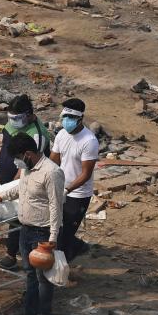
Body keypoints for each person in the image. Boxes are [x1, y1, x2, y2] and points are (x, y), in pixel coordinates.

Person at [0, 133, 64, 315]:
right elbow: (21, 188)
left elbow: (56, 206)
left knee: (43, 276)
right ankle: (30, 311)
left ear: (27, 154)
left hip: (42, 232)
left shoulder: (51, 173)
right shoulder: (28, 169)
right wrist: (2, 196)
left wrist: (52, 237)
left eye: (18, 158)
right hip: (25, 229)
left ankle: (44, 314)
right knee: (29, 272)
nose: (17, 163)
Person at [0, 95, 51, 269]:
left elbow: (27, 167)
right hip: (6, 176)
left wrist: (14, 184)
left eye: (16, 118)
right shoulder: (14, 123)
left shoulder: (37, 135)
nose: (12, 122)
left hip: (21, 180)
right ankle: (17, 248)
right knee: (12, 215)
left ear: (28, 114)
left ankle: (12, 254)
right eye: (10, 118)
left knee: (20, 215)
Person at [49, 97, 99, 261]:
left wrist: (68, 189)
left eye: (71, 119)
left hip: (78, 194)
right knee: (55, 229)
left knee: (65, 233)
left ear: (80, 119)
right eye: (64, 118)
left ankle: (65, 261)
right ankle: (76, 246)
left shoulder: (89, 141)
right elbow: (53, 161)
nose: (67, 122)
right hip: (60, 188)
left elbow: (85, 174)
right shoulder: (62, 135)